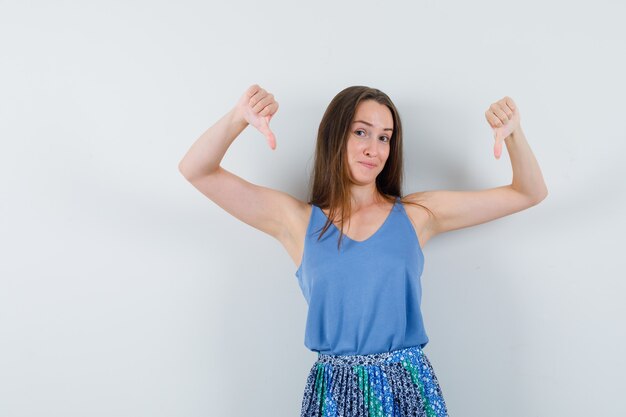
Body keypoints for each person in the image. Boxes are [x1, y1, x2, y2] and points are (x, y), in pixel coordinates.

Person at [178, 84, 548, 417]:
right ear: (335, 137)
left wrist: (513, 134)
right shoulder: (297, 221)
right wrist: (238, 118)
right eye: (361, 133)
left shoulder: (417, 215)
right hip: (334, 395)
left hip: (408, 389)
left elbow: (528, 192)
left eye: (385, 138)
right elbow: (197, 170)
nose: (375, 149)